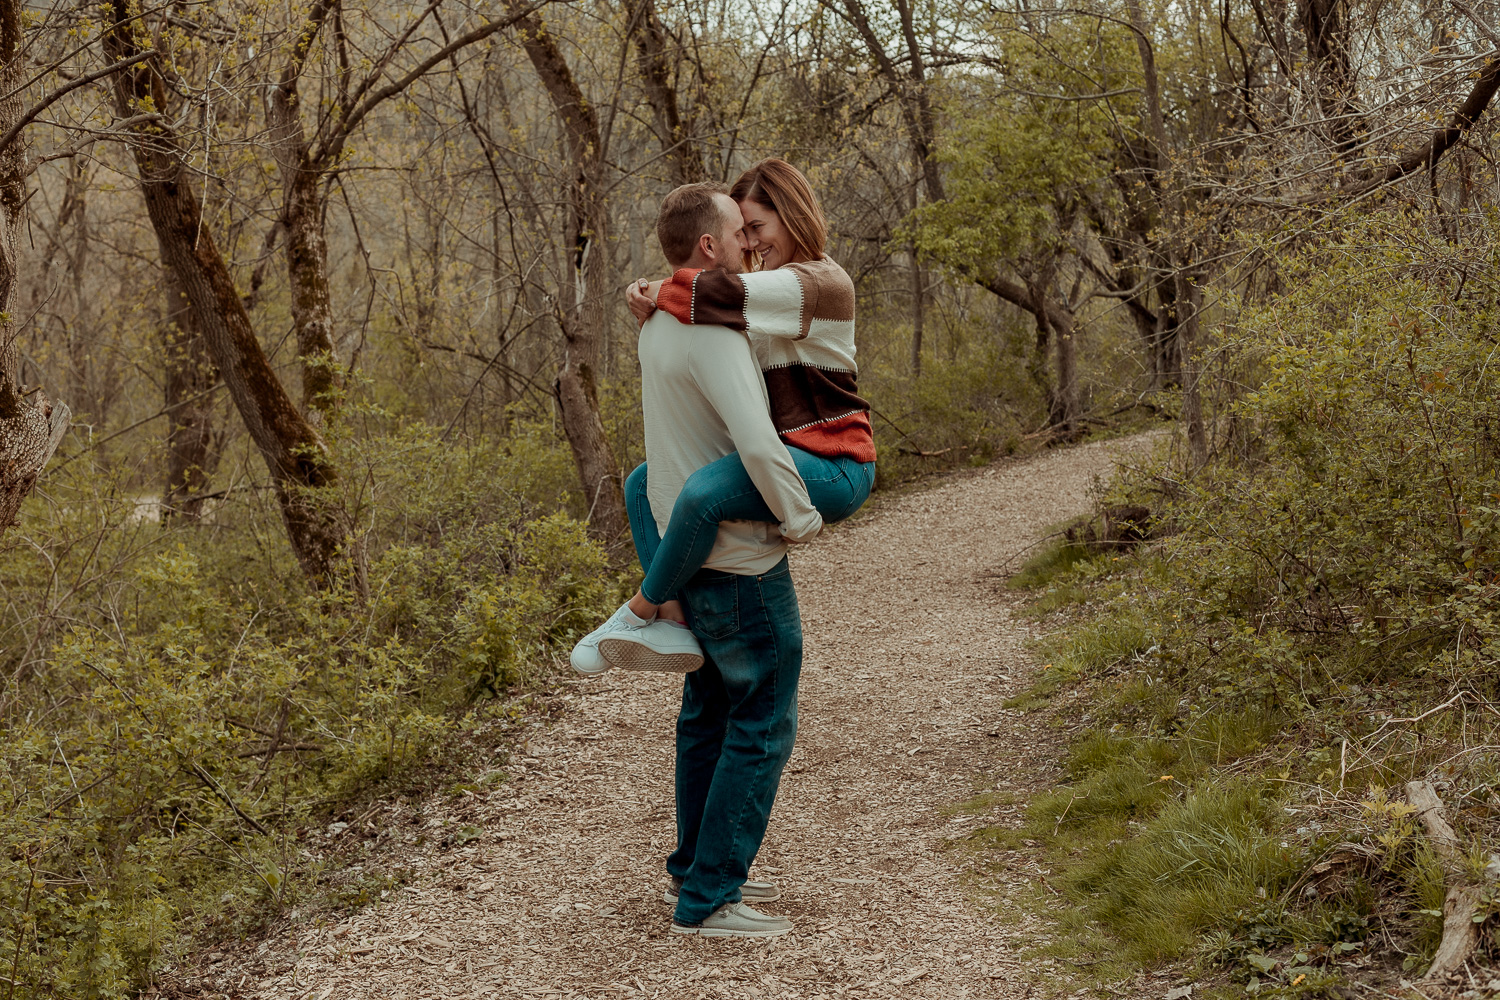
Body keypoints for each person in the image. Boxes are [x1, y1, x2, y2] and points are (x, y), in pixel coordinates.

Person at [570, 159, 876, 674]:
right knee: (643, 485)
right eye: (745, 232)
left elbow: (707, 290)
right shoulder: (767, 291)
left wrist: (649, 293)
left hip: (836, 459)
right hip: (791, 454)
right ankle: (672, 619)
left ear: (793, 215)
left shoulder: (819, 283)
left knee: (702, 492)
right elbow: (706, 299)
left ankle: (637, 611)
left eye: (757, 227)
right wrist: (655, 297)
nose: (752, 244)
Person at [605, 181, 812, 937]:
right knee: (763, 719)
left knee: (708, 716)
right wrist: (801, 516)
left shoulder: (656, 324)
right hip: (741, 562)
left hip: (691, 556)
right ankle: (712, 899)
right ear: (708, 247)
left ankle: (693, 872)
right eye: (738, 231)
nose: (749, 243)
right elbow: (756, 442)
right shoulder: (714, 334)